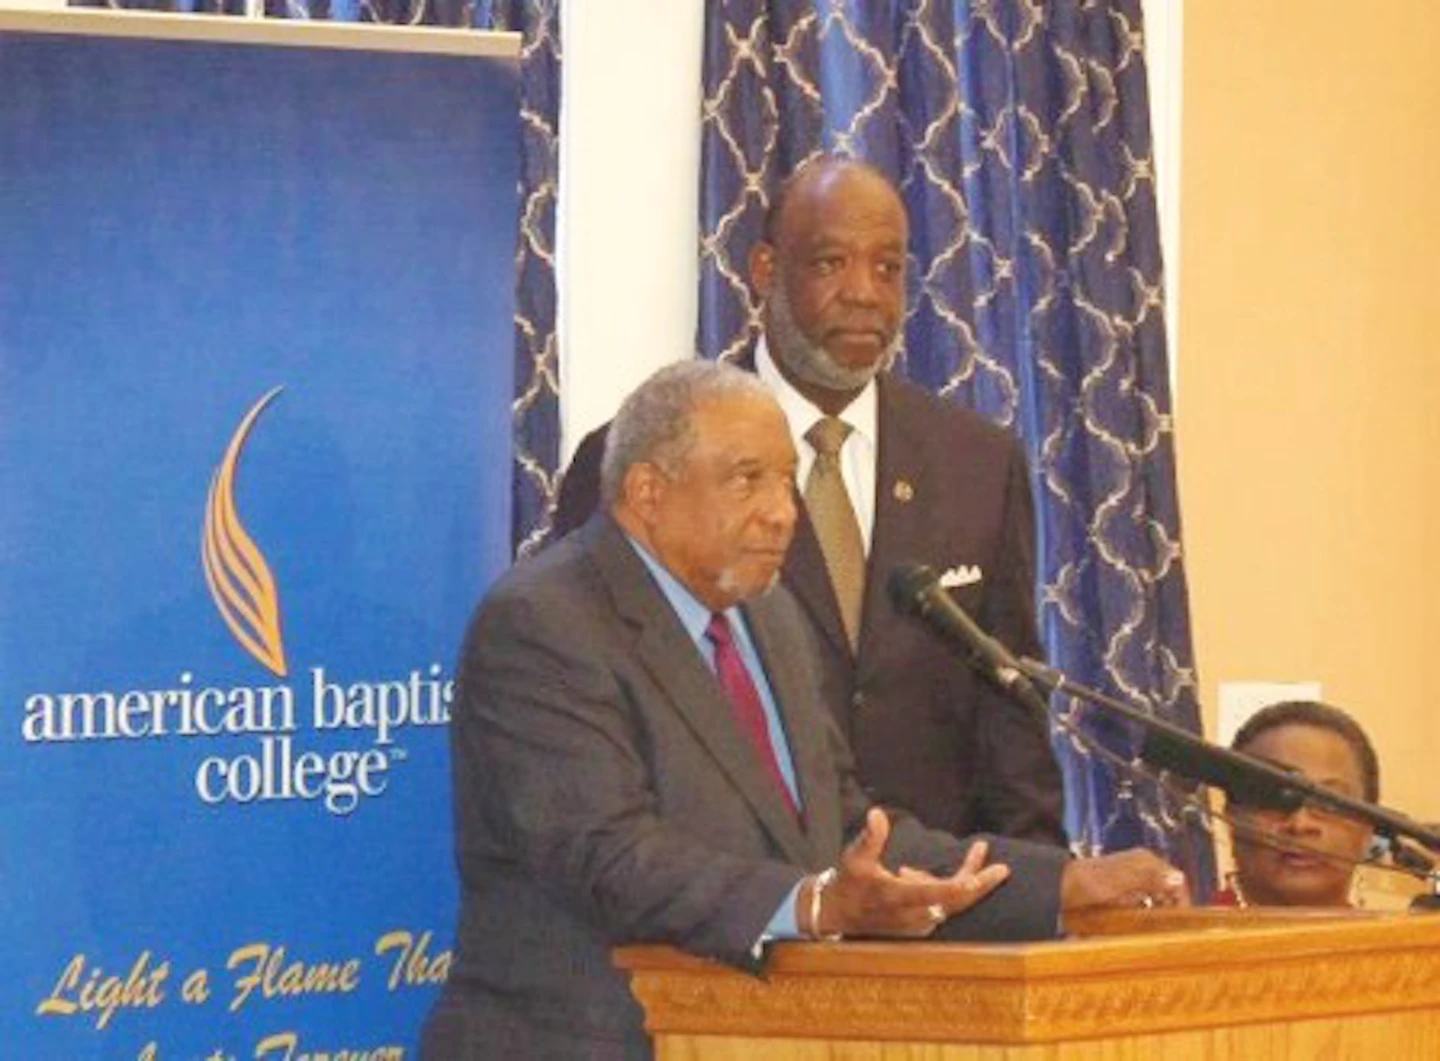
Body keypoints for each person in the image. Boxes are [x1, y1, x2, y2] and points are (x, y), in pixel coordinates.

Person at [422, 361, 1187, 1059]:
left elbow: (846, 830)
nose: (783, 512)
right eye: (747, 479)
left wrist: (1060, 884)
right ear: (649, 492)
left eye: (787, 481)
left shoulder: (771, 617)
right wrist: (816, 903)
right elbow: (609, 855)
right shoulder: (545, 621)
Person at [552, 156, 1065, 847]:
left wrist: (1044, 883)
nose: (864, 294)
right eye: (830, 263)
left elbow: (1012, 720)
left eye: (888, 268)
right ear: (766, 271)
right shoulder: (646, 459)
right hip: (727, 894)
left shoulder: (978, 462)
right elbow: (596, 704)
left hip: (940, 893)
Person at [1224, 700, 1379, 908]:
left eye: (1328, 801)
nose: (1300, 824)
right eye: (1275, 799)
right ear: (1232, 816)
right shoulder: (1186, 927)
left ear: (1368, 828)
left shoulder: (1402, 930)